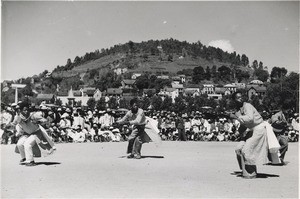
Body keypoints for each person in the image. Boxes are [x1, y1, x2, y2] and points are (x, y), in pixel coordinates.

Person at [230, 91, 269, 179]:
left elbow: (250, 119)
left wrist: (236, 118)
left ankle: (251, 173)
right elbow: (244, 125)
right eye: (238, 97)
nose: (241, 98)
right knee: (238, 149)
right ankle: (245, 170)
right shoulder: (237, 111)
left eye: (241, 97)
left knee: (247, 149)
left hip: (258, 129)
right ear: (234, 100)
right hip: (251, 130)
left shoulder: (247, 106)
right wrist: (237, 132)